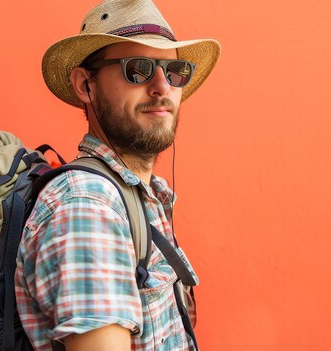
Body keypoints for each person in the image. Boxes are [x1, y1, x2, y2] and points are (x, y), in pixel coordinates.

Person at [14, 1, 220, 350]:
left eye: (175, 71)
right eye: (137, 69)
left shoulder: (139, 195)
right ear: (85, 85)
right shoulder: (89, 208)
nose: (161, 86)